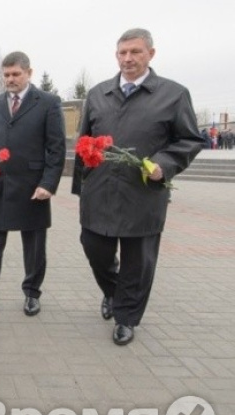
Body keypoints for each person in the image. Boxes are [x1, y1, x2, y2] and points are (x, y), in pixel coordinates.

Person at [72, 28, 203, 345]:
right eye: (122, 53)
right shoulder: (98, 94)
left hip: (143, 192)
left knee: (138, 260)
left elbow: (189, 139)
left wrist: (165, 164)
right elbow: (83, 141)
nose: (127, 59)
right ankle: (113, 292)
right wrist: (81, 187)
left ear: (151, 54)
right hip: (100, 190)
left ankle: (126, 318)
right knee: (95, 249)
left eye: (135, 52)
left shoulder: (173, 95)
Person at [0, 51, 66, 322]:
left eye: (16, 74)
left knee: (34, 246)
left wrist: (48, 184)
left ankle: (32, 293)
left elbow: (56, 147)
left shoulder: (48, 103)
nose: (10, 79)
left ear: (29, 72)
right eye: (6, 75)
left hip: (33, 188)